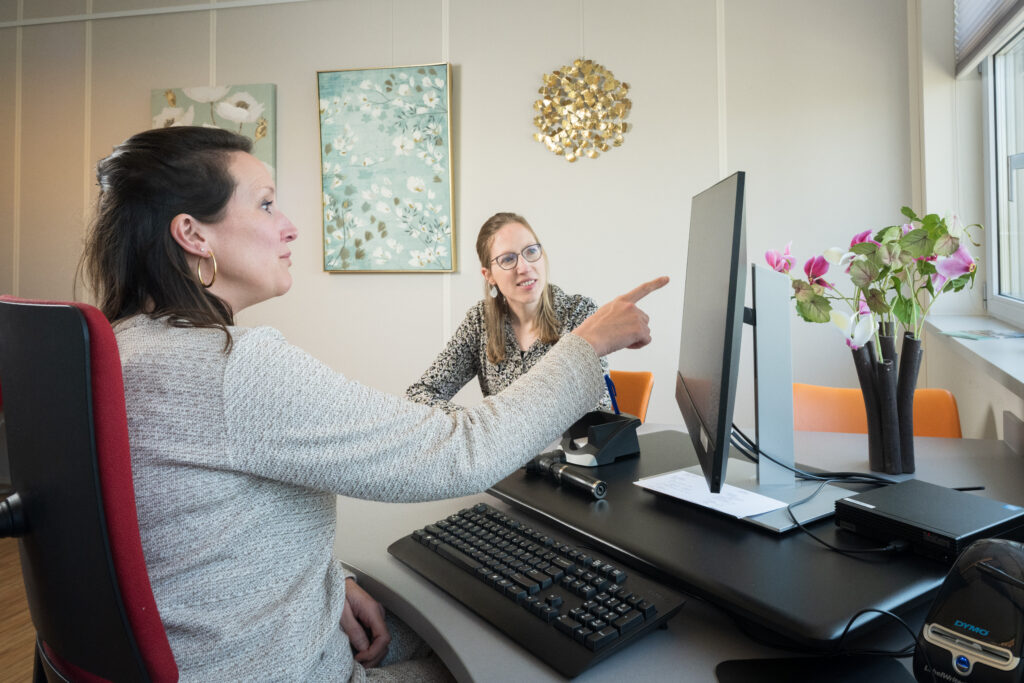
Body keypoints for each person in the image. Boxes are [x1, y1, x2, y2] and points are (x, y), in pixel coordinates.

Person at [80, 126, 667, 682]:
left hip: (223, 648)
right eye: (265, 205)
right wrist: (587, 344)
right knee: (507, 660)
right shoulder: (235, 366)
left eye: (531, 252)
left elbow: (192, 533)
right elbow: (459, 451)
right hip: (279, 666)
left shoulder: (119, 348)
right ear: (194, 234)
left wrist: (327, 583)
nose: (289, 228)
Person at [407, 212, 612, 412]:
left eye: (531, 251)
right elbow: (420, 394)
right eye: (507, 259)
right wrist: (480, 424)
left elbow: (598, 407)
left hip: (567, 447)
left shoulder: (580, 313)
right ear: (489, 275)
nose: (524, 267)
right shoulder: (480, 321)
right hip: (502, 447)